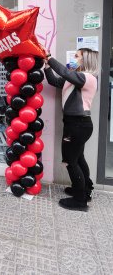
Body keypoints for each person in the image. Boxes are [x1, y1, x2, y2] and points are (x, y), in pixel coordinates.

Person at [44, 48, 99, 211]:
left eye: (77, 56)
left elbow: (64, 72)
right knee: (79, 159)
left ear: (86, 60)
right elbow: (55, 81)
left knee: (70, 161)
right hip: (75, 125)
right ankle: (84, 189)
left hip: (78, 125)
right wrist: (47, 67)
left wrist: (49, 58)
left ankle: (80, 201)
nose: (73, 59)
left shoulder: (88, 78)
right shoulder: (75, 78)